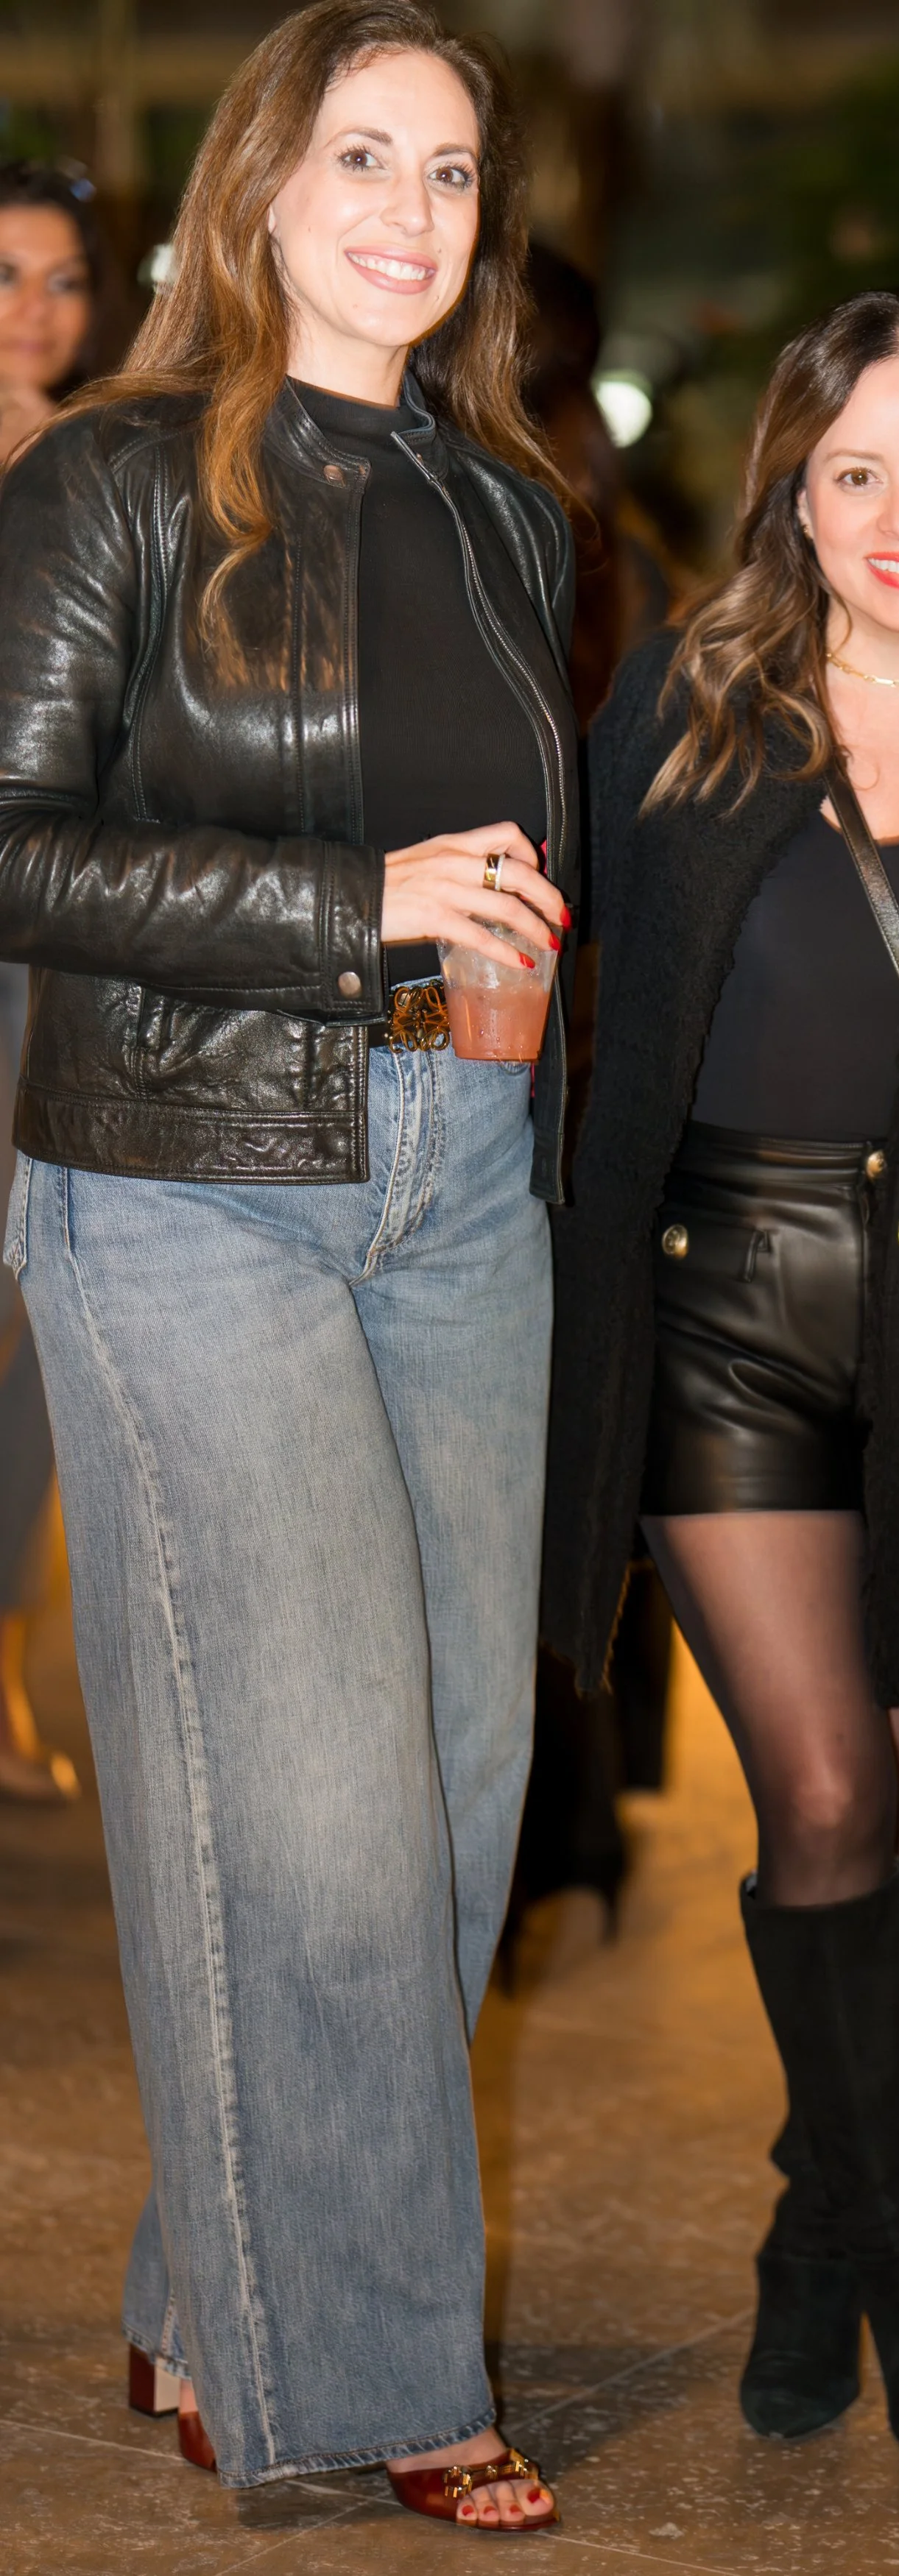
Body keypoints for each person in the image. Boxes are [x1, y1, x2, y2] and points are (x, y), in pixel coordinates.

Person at [0, 0, 581, 2529]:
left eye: (449, 171)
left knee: (445, 1799)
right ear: (258, 186)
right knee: (318, 1811)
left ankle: (208, 2290)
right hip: (186, 1178)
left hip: (465, 1169)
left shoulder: (505, 512)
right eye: (363, 155)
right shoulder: (120, 478)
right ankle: (362, 2377)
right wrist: (349, 911)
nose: (410, 212)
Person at [541, 286, 899, 2480]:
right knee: (830, 1799)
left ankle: (810, 2226)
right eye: (857, 468)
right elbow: (553, 971)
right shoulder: (686, 706)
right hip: (720, 1301)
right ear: (790, 488)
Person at [0, 159, 102, 1802]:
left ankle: (4, 1658)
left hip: (47, 946)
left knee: (30, 1315)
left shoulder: (102, 465)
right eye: (4, 276)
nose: (35, 310)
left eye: (63, 278)